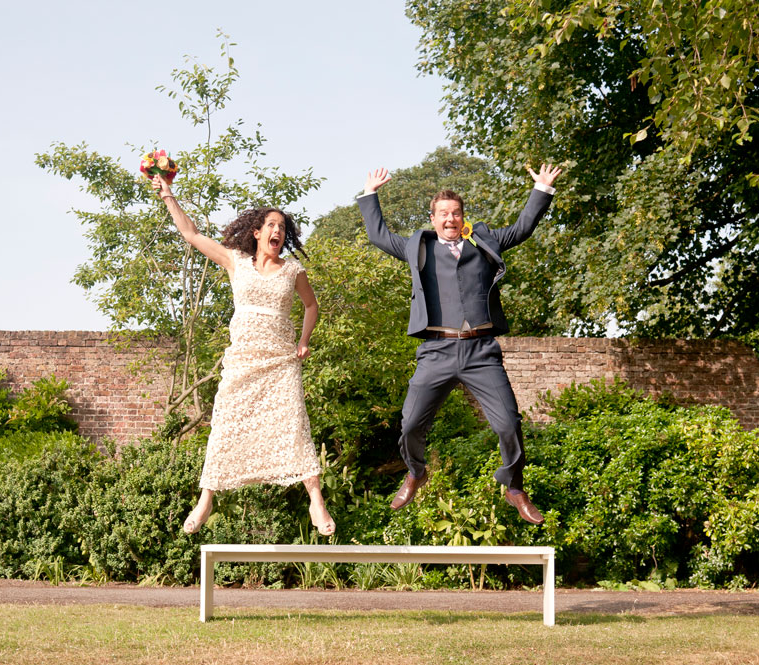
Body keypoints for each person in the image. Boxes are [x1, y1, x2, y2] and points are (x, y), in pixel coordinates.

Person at [357, 164, 562, 524]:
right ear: (433, 218)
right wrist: (371, 194)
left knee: (509, 424)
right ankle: (416, 472)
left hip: (481, 351)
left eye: (455, 213)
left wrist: (541, 189)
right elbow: (378, 234)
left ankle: (515, 487)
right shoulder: (417, 247)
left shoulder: (484, 243)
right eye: (443, 214)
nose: (450, 219)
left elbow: (522, 228)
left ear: (463, 218)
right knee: (410, 424)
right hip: (436, 351)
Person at [152, 175, 335, 537]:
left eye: (282, 227)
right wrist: (169, 195)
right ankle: (206, 500)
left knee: (294, 425)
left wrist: (304, 340)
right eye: (272, 225)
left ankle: (316, 499)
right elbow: (191, 234)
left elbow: (311, 306)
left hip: (280, 361)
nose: (278, 231)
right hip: (242, 361)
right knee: (224, 425)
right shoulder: (235, 261)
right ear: (257, 232)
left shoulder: (293, 270)